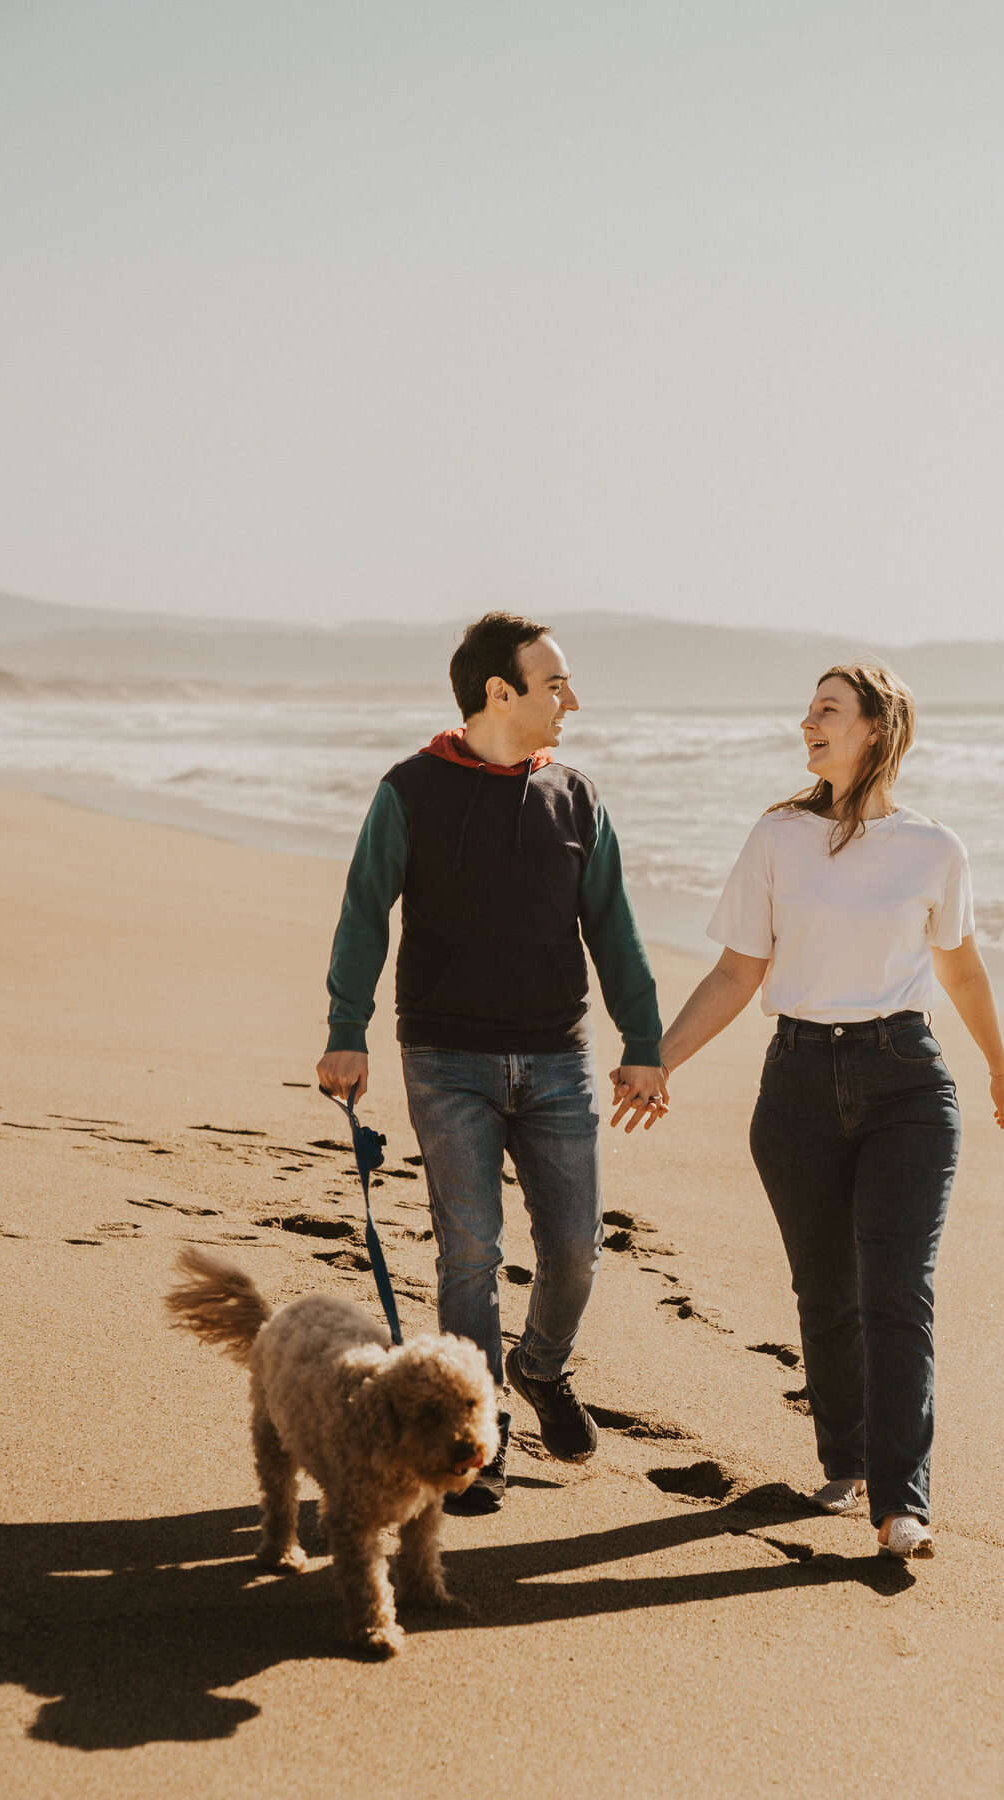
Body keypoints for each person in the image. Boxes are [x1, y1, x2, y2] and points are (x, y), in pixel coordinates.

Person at [620, 662, 1004, 1557]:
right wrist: (656, 1059)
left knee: (898, 1289)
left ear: (875, 729)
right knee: (826, 1292)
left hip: (908, 1083)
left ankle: (901, 1501)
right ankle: (843, 1460)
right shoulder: (777, 837)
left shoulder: (934, 849)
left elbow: (958, 966)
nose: (808, 723)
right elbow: (738, 971)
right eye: (808, 710)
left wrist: (998, 1066)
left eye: (828, 711)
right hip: (797, 1082)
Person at [317, 611, 668, 1514]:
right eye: (555, 684)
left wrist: (644, 1045)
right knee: (469, 1251)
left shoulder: (577, 798)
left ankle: (541, 1367)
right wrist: (345, 1027)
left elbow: (615, 931)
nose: (572, 701)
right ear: (498, 693)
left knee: (576, 1249)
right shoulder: (409, 789)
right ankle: (481, 1436)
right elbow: (365, 912)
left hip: (558, 1055)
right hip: (445, 1054)